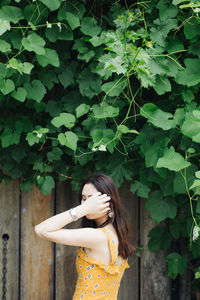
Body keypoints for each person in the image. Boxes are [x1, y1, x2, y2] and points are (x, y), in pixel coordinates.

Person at [35, 173, 135, 299]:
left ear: (107, 201)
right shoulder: (117, 233)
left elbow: (41, 230)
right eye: (83, 198)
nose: (85, 203)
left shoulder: (98, 236)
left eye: (91, 199)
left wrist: (81, 210)